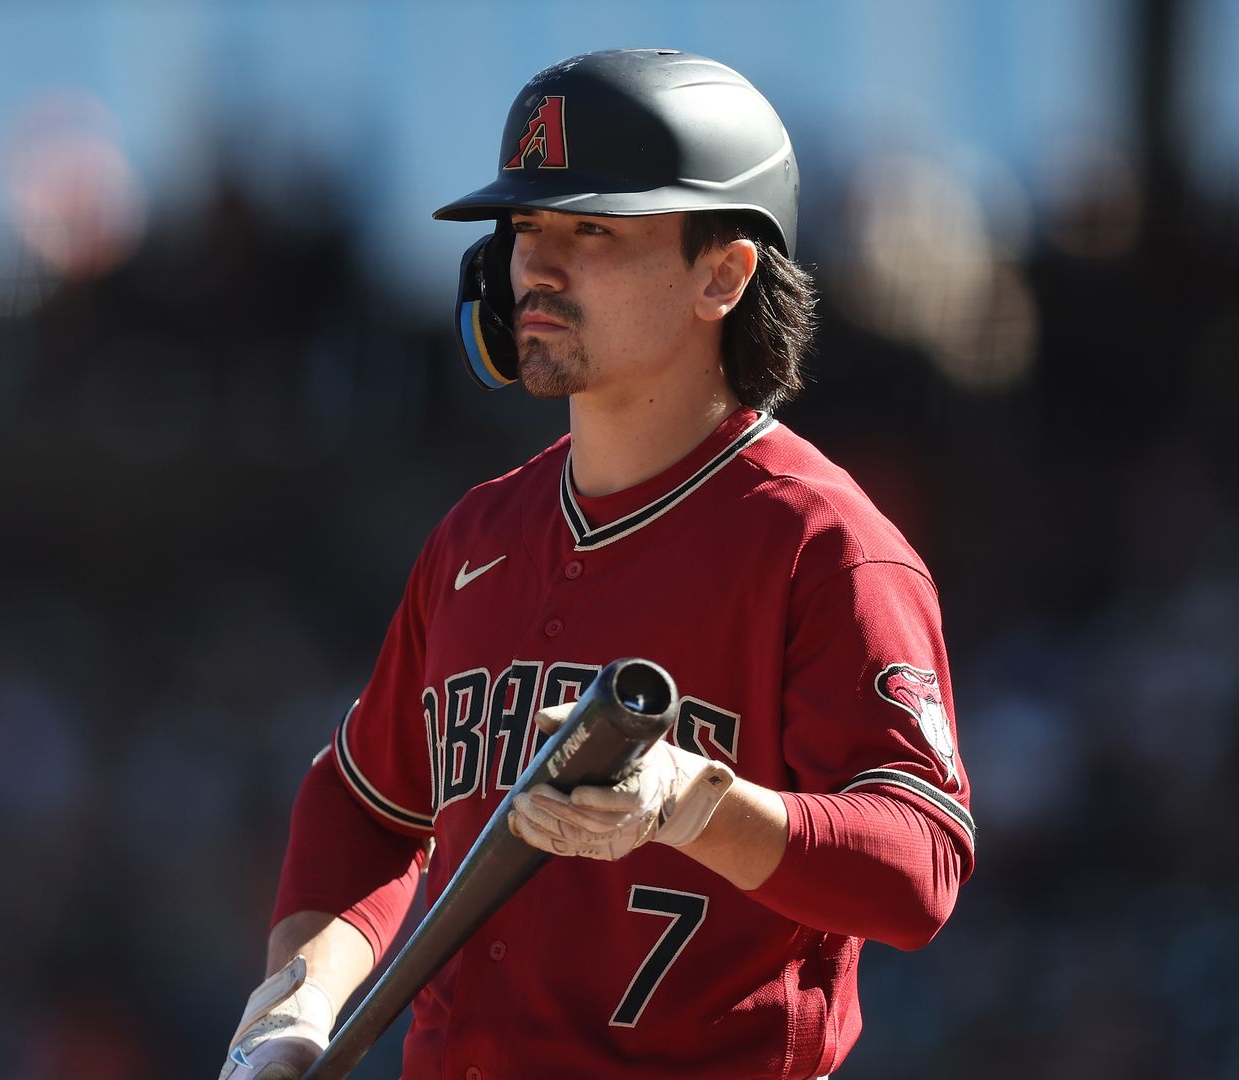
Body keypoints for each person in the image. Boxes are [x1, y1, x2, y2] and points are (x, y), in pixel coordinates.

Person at [219, 48, 975, 1079]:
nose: (536, 265)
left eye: (593, 230)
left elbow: (920, 861)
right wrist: (298, 998)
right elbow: (362, 802)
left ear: (723, 273)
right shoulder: (479, 536)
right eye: (526, 228)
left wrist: (695, 803)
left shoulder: (824, 546)